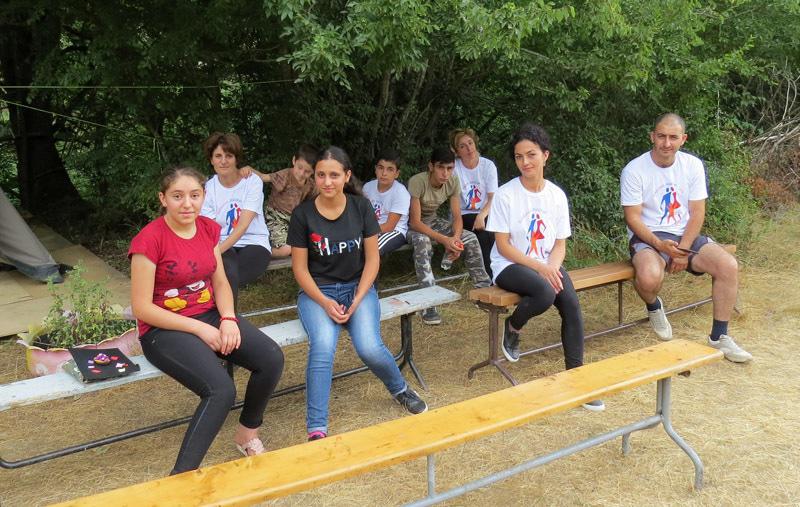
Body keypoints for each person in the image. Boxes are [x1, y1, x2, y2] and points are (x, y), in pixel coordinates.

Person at [129, 166, 284, 475]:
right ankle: (181, 479)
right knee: (220, 390)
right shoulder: (148, 241)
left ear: (204, 196)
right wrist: (200, 329)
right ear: (163, 199)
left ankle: (247, 434)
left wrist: (227, 318)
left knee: (271, 358)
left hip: (210, 314)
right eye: (177, 196)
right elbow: (142, 308)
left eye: (195, 195)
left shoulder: (208, 229)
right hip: (163, 328)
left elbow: (220, 282)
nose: (187, 204)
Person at [287, 146, 428, 441]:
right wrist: (325, 302)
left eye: (334, 175)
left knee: (369, 347)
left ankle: (400, 389)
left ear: (347, 176)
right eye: (321, 175)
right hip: (317, 293)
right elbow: (299, 269)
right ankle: (316, 428)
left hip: (357, 287)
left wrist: (359, 296)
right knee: (323, 347)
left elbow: (373, 259)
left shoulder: (360, 207)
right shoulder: (302, 215)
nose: (327, 182)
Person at [487, 123, 604, 411]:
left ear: (545, 155)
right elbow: (503, 246)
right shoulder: (505, 194)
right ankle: (513, 326)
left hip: (545, 264)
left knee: (571, 304)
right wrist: (542, 269)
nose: (525, 162)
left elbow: (560, 244)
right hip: (510, 264)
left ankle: (577, 380)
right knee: (544, 291)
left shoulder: (556, 195)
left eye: (531, 155)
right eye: (519, 157)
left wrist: (552, 267)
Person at [620, 113, 752, 362]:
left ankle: (720, 337)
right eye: (661, 136)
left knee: (728, 265)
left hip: (685, 235)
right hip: (649, 236)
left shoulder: (692, 165)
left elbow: (697, 212)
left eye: (673, 137)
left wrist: (683, 249)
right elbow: (633, 218)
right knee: (648, 277)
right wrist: (660, 245)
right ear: (652, 136)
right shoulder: (634, 170)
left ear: (683, 139)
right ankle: (653, 305)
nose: (666, 143)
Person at [407, 147, 492, 325]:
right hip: (411, 226)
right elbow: (414, 222)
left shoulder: (453, 181)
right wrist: (444, 240)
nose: (445, 173)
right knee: (423, 242)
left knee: (470, 237)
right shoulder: (418, 181)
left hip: (433, 222)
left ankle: (484, 291)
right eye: (441, 167)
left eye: (450, 168)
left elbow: (457, 216)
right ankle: (429, 304)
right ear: (431, 166)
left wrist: (455, 239)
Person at [200, 132, 271, 309]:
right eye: (218, 156)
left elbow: (243, 226)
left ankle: (223, 318)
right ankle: (229, 319)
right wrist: (217, 250)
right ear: (211, 160)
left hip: (254, 243)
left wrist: (214, 253)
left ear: (236, 158)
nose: (223, 161)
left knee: (225, 275)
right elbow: (210, 228)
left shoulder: (252, 182)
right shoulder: (208, 188)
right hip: (222, 243)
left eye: (229, 156)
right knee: (227, 269)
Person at [245, 145, 318, 258]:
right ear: (294, 160)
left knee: (315, 243)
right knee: (286, 249)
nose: (301, 173)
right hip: (275, 218)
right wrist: (248, 169)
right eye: (299, 168)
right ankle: (263, 251)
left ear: (313, 171)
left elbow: (319, 199)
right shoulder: (285, 175)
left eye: (307, 171)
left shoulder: (311, 185)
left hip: (294, 221)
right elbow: (263, 177)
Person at [451, 128, 498, 277]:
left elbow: (493, 198)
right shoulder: (454, 168)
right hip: (464, 214)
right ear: (457, 151)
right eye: (462, 146)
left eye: (470, 143)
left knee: (496, 230)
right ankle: (490, 278)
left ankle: (502, 272)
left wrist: (481, 216)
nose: (469, 148)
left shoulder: (487, 166)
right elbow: (455, 203)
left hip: (485, 211)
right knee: (483, 234)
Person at [361, 149, 411, 256]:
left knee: (371, 250)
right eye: (380, 168)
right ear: (375, 169)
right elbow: (362, 215)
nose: (384, 173)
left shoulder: (400, 193)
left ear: (397, 174)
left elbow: (389, 226)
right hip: (371, 229)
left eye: (390, 169)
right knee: (351, 245)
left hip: (394, 231)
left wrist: (364, 233)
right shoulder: (368, 187)